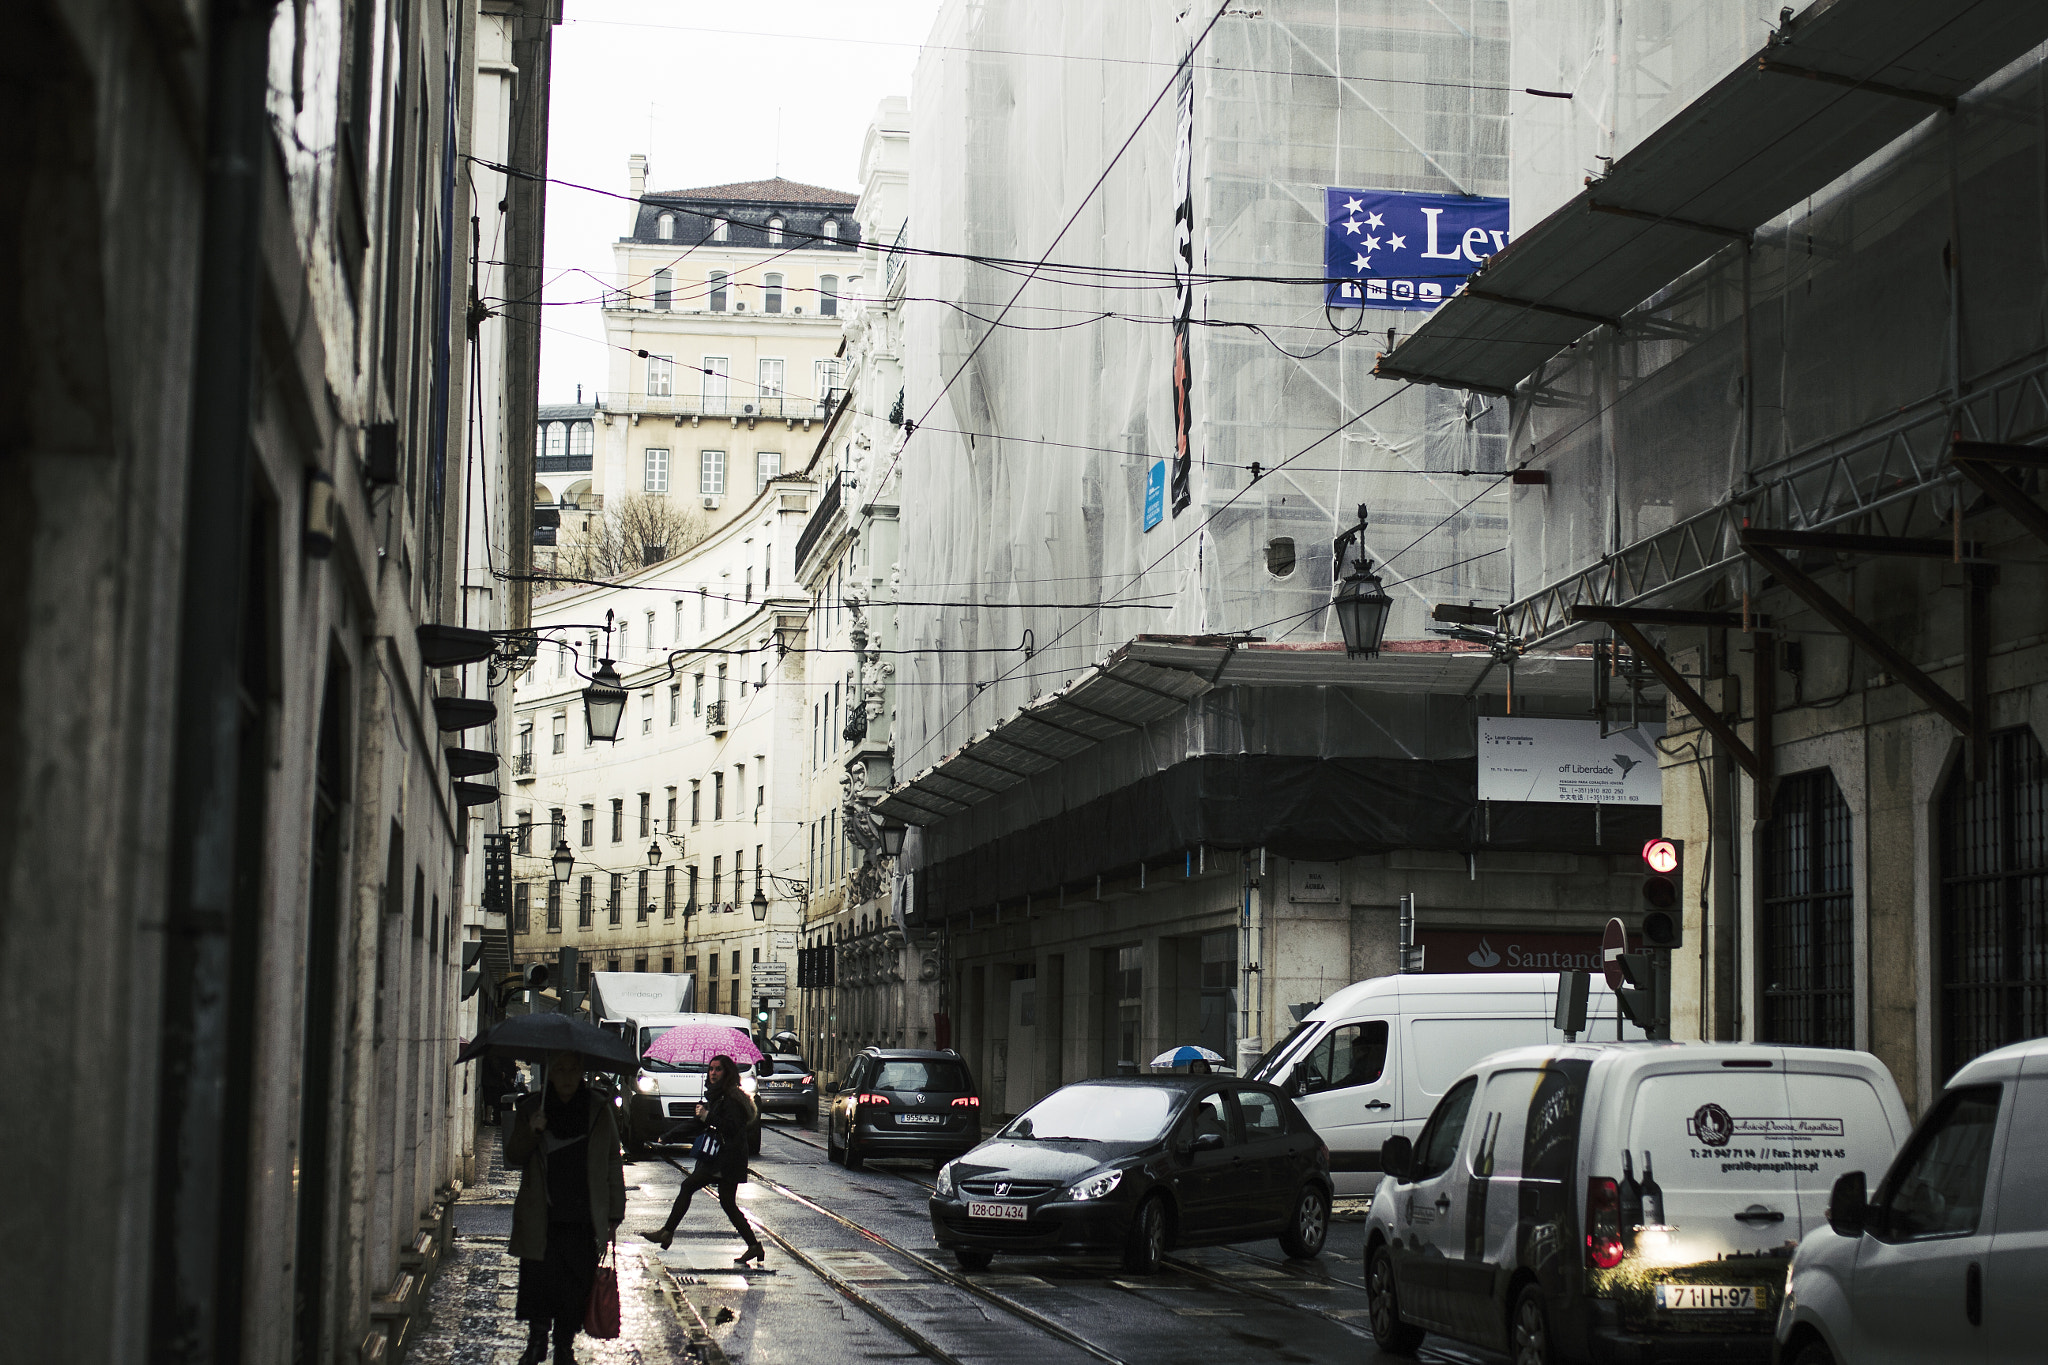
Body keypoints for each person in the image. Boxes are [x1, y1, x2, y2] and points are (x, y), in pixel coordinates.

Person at [506, 1052, 626, 1365]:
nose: (568, 1077)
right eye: (560, 1070)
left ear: (582, 1073)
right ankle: (536, 1342)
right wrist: (532, 1130)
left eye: (573, 1070)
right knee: (539, 1283)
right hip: (542, 1215)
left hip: (582, 1217)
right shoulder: (533, 1106)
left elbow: (613, 1159)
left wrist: (614, 1213)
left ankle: (564, 1346)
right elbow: (514, 1155)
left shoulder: (597, 1109)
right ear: (550, 1074)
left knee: (574, 1287)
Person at [641, 1053, 765, 1266]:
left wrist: (708, 1116)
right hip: (719, 1156)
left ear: (727, 1073)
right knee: (727, 1203)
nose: (713, 1073)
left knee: (689, 1186)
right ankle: (754, 1246)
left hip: (727, 1158)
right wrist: (669, 1136)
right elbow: (697, 1124)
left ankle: (667, 1232)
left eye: (718, 1069)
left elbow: (733, 1127)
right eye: (711, 1069)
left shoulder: (732, 1098)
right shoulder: (716, 1097)